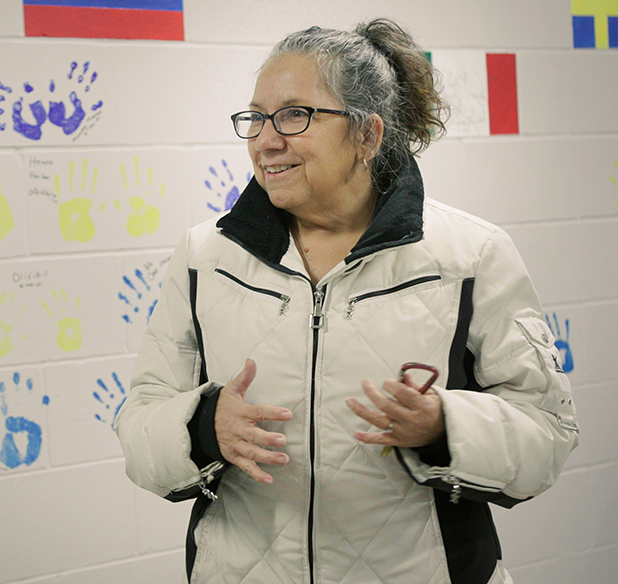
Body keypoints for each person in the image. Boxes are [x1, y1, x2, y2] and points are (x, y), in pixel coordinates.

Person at [113, 18, 578, 584]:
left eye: (293, 115)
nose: (265, 139)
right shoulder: (203, 257)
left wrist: (443, 426)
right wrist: (203, 426)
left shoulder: (472, 256)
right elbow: (139, 427)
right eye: (256, 117)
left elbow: (546, 436)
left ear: (367, 135)